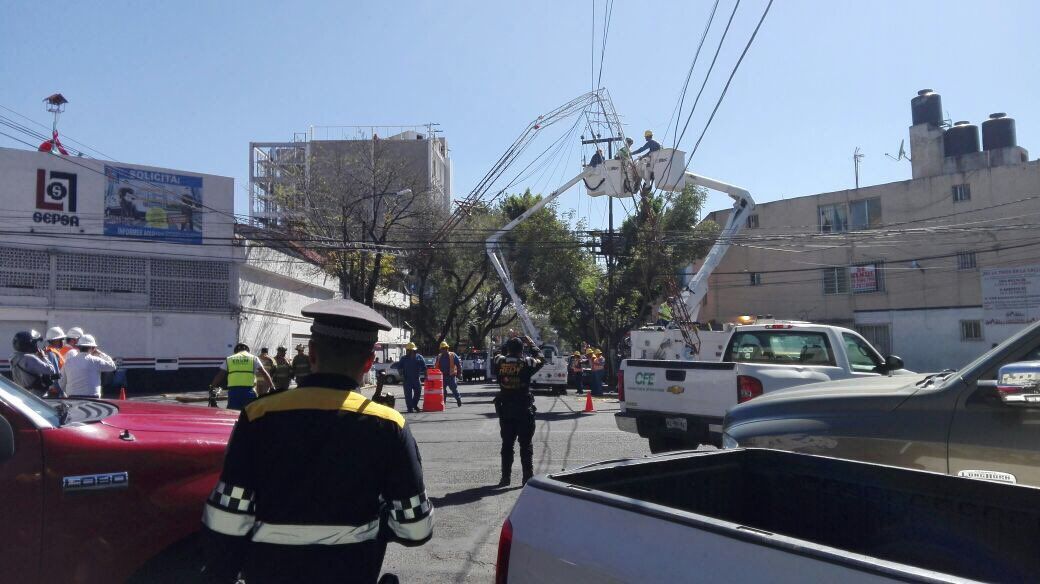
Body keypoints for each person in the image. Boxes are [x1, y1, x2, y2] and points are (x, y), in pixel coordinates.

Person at [201, 298, 432, 584]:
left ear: (311, 354)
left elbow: (227, 519)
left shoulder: (258, 415)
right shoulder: (388, 425)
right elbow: (416, 528)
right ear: (369, 361)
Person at [493, 336, 545, 486]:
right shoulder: (526, 362)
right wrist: (532, 344)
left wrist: (507, 342)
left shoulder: (499, 362)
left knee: (507, 445)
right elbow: (541, 358)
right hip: (523, 410)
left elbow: (497, 353)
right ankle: (527, 477)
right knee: (526, 445)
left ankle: (505, 477)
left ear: (507, 349)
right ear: (522, 350)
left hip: (506, 410)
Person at [210, 343, 275, 410]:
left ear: (236, 351)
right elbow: (264, 373)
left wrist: (212, 387)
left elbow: (220, 375)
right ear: (247, 350)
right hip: (249, 391)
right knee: (251, 414)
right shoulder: (253, 358)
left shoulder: (229, 359)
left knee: (233, 413)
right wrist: (272, 387)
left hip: (234, 392)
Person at [10, 331, 57, 395]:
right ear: (28, 344)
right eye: (34, 343)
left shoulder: (13, 357)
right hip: (36, 396)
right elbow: (51, 370)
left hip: (22, 393)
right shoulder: (29, 358)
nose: (36, 346)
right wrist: (43, 357)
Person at [397, 342, 426, 413]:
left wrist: (426, 375)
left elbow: (424, 367)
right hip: (407, 379)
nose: (414, 352)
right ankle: (410, 408)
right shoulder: (403, 358)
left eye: (414, 351)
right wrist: (401, 374)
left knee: (418, 392)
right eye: (412, 351)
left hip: (416, 379)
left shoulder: (419, 357)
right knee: (408, 395)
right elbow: (399, 367)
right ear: (408, 351)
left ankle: (414, 405)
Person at [42, 327, 67, 397]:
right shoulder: (51, 353)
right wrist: (61, 392)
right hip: (55, 392)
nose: (63, 342)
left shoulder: (50, 351)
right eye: (61, 339)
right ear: (55, 340)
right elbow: (55, 376)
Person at [437, 341, 463, 407]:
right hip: (442, 376)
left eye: (444, 348)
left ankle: (458, 399)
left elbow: (458, 364)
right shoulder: (439, 356)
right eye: (442, 349)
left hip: (451, 376)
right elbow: (436, 366)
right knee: (443, 390)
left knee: (454, 389)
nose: (443, 350)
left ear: (447, 348)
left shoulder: (453, 355)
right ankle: (444, 403)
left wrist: (459, 373)